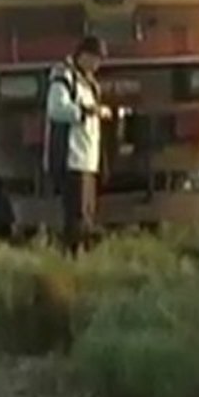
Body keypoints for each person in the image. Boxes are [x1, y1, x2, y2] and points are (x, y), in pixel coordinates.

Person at [44, 35, 113, 257]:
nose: (97, 65)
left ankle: (80, 257)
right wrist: (86, 112)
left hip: (87, 159)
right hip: (71, 157)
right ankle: (71, 257)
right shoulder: (63, 77)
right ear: (83, 55)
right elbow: (56, 109)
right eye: (95, 59)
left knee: (86, 214)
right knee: (74, 215)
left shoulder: (89, 82)